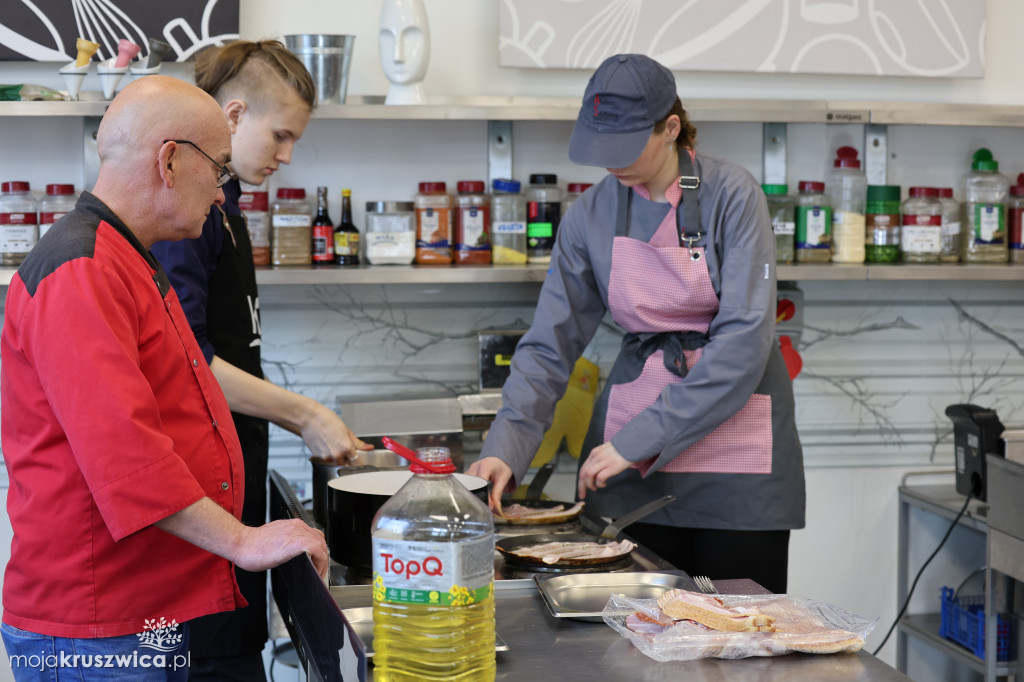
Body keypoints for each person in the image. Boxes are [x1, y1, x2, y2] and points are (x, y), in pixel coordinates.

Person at [0, 75, 328, 681]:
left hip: (142, 612)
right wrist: (244, 541)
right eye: (220, 171)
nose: (224, 195)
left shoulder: (127, 256)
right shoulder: (83, 269)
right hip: (98, 629)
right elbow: (128, 463)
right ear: (170, 161)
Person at [469, 54, 805, 594]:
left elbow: (743, 343)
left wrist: (639, 438)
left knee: (741, 645)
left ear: (671, 128)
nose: (609, 164)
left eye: (624, 147)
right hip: (629, 471)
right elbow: (549, 349)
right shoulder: (587, 217)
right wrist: (503, 448)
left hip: (737, 467)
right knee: (633, 645)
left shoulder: (734, 196)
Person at [148, 40, 371, 681]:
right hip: (202, 512)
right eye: (279, 136)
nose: (286, 156)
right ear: (236, 114)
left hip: (234, 493)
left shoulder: (229, 209)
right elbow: (188, 358)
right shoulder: (188, 218)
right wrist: (304, 413)